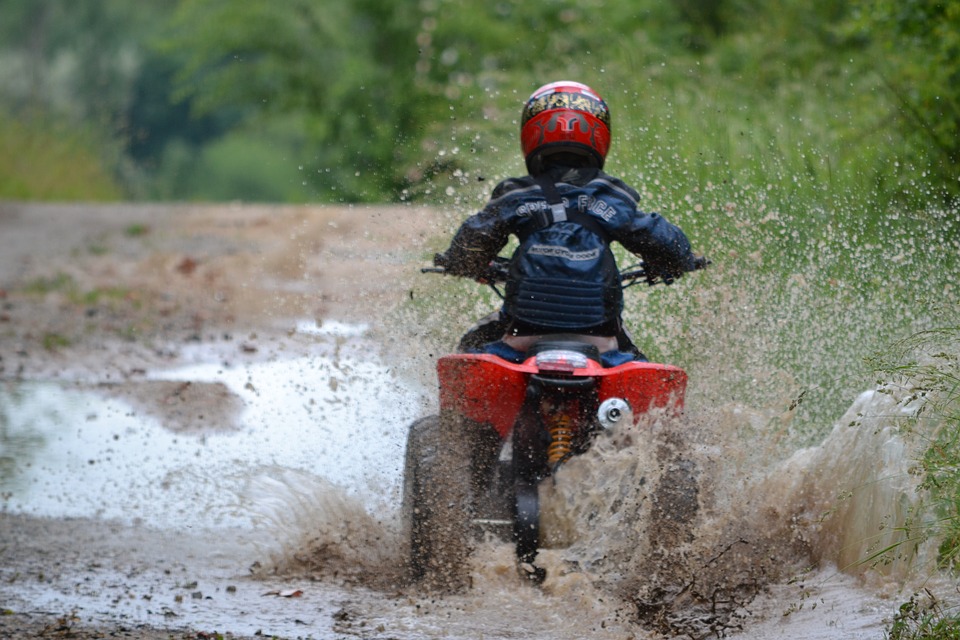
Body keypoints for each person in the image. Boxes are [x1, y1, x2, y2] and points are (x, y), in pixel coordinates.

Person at [434, 80, 705, 367]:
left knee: (470, 350)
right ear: (600, 136)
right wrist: (680, 259)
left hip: (521, 334)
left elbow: (476, 237)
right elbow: (659, 236)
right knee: (638, 369)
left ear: (530, 135)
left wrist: (461, 263)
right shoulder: (611, 195)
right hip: (601, 339)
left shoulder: (516, 194)